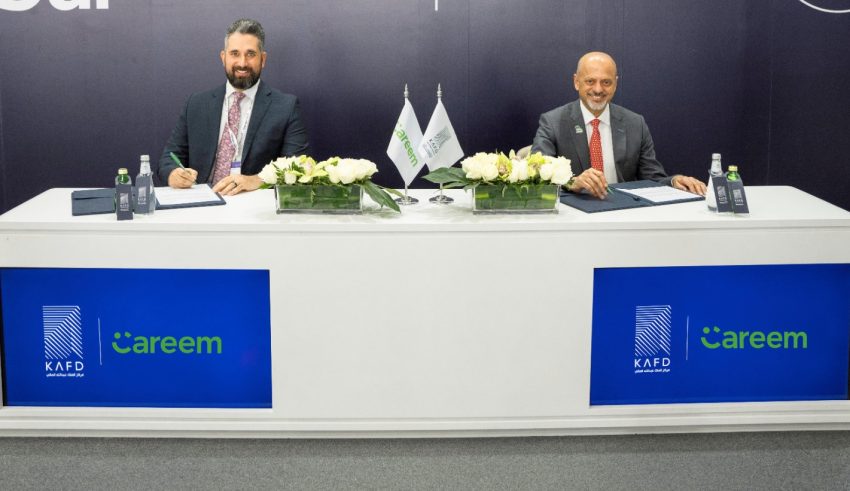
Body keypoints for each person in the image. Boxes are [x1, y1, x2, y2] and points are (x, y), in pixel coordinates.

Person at [158, 18, 309, 196]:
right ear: (223, 58)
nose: (242, 63)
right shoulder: (196, 104)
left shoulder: (285, 107)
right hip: (201, 202)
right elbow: (168, 159)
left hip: (252, 205)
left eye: (250, 54)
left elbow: (298, 168)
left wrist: (257, 180)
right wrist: (174, 174)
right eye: (235, 53)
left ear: (263, 59)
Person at [532, 51, 705, 199]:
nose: (598, 89)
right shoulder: (553, 122)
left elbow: (652, 178)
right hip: (574, 214)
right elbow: (536, 174)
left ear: (615, 84)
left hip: (623, 212)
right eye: (590, 81)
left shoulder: (635, 123)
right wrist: (571, 182)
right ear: (576, 82)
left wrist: (674, 182)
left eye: (606, 82)